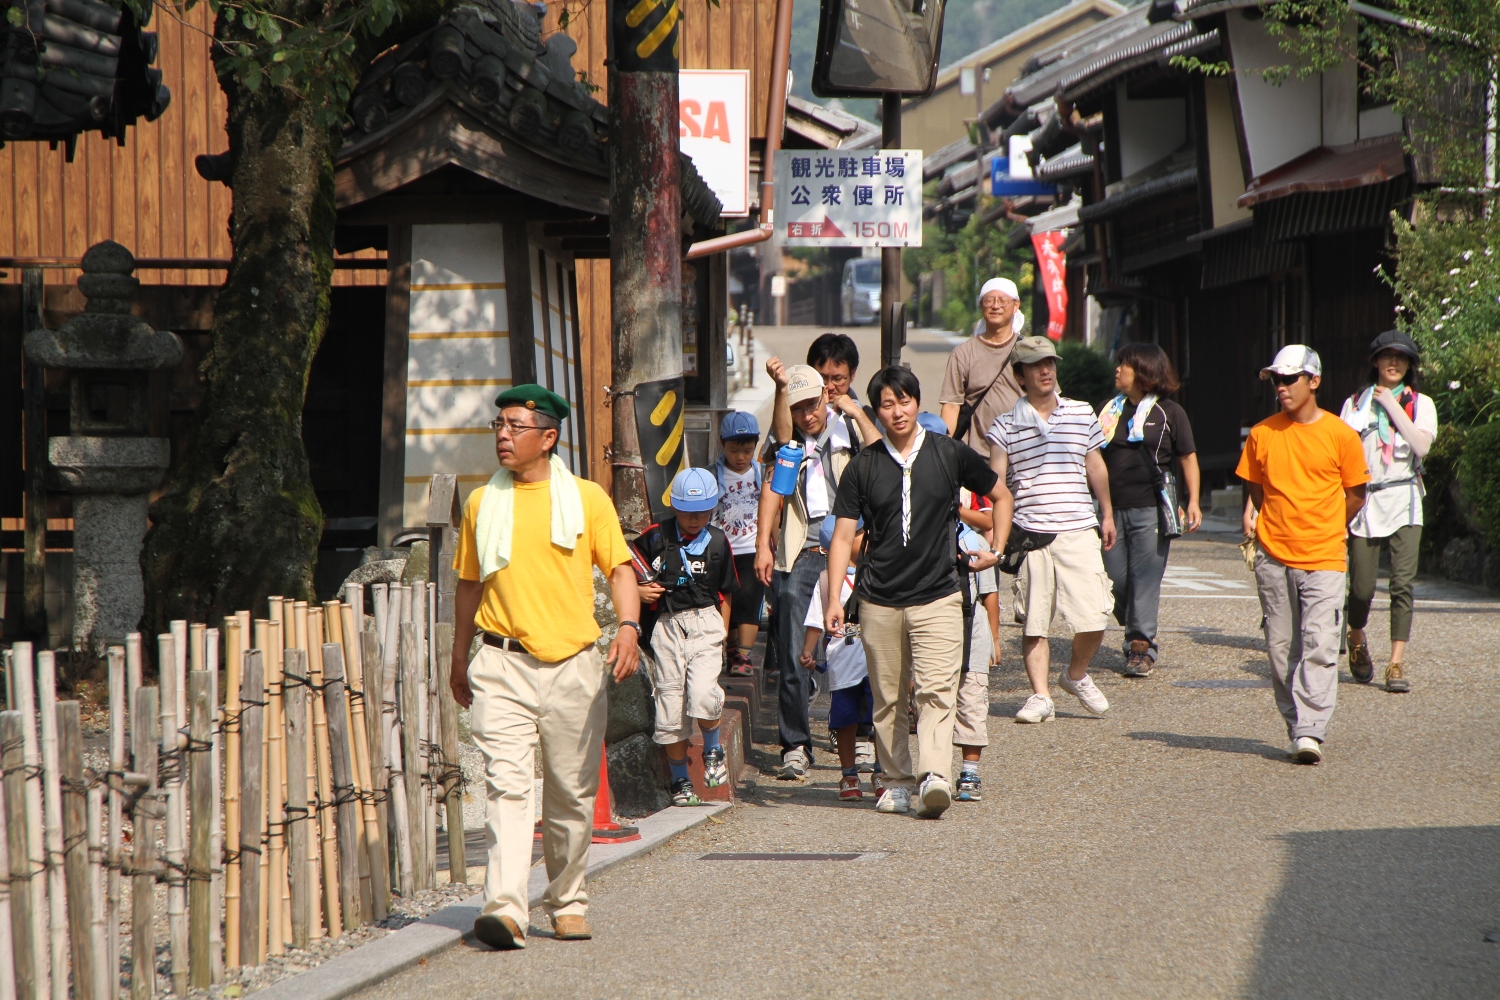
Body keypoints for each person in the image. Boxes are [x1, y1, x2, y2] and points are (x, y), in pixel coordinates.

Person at [450, 383, 641, 951]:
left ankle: (568, 902)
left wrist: (628, 626)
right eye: (500, 426)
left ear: (549, 437)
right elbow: (468, 585)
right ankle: (505, 910)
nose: (503, 436)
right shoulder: (482, 503)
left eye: (516, 426)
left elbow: (621, 569)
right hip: (501, 663)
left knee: (571, 795)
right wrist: (458, 656)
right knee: (506, 788)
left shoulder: (586, 498)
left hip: (573, 666)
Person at [825, 367, 1004, 819]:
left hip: (939, 594)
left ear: (917, 403)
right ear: (876, 412)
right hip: (878, 599)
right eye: (887, 404)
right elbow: (843, 537)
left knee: (937, 690)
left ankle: (935, 776)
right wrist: (832, 600)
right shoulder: (863, 466)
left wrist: (997, 551)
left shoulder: (949, 453)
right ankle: (896, 782)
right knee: (887, 698)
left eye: (904, 401)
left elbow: (1001, 496)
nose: (898, 411)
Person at [1237, 345, 1368, 764]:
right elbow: (1257, 488)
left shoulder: (1341, 435)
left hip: (1325, 555)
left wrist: (1326, 524)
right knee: (1280, 649)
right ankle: (1296, 725)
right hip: (1273, 555)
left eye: (1289, 378)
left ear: (1314, 381)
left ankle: (1310, 730)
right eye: (1276, 379)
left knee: (1320, 644)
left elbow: (1356, 493)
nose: (1281, 387)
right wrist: (1275, 524)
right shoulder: (1262, 434)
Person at [756, 363, 879, 780]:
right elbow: (773, 486)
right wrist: (763, 544)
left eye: (812, 404)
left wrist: (856, 411)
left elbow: (883, 455)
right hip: (803, 550)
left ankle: (864, 736)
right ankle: (795, 745)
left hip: (853, 549)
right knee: (794, 651)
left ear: (826, 396)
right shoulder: (788, 446)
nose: (806, 414)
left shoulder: (849, 432)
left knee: (860, 648)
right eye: (797, 408)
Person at [985, 336, 1117, 725]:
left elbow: (1095, 465)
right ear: (1019, 376)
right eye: (1035, 365)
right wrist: (997, 534)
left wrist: (1107, 514)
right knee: (1035, 621)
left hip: (1079, 526)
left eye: (1049, 363)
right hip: (1031, 532)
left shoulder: (1081, 412)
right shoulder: (1005, 425)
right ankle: (1041, 696)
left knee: (1096, 616)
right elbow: (997, 484)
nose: (1045, 370)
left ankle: (1075, 675)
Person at [634, 468, 738, 805]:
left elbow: (726, 593)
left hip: (705, 622)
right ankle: (681, 781)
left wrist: (722, 636)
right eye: (687, 511)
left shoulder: (718, 542)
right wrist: (639, 591)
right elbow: (624, 573)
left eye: (702, 511)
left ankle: (712, 751)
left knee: (704, 692)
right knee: (671, 704)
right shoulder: (654, 537)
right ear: (674, 506)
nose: (694, 519)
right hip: (666, 626)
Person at [1097, 343, 1203, 677]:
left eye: (1124, 365)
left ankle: (1141, 647)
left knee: (1144, 579)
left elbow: (1187, 456)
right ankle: (1136, 624)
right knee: (1113, 579)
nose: (1118, 370)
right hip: (1110, 509)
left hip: (1151, 509)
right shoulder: (1108, 411)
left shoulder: (1170, 412)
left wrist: (1194, 501)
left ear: (1143, 371)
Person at [1339, 330, 1436, 693]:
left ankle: (1396, 663)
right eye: (1387, 355)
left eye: (1401, 357)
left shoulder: (1421, 403)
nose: (1393, 362)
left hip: (1405, 498)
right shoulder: (1355, 404)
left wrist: (1392, 405)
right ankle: (1356, 635)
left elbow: (1421, 446)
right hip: (1365, 500)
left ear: (1410, 365)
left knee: (1402, 584)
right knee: (1361, 588)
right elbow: (1340, 454)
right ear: (1375, 361)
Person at [918, 411, 996, 803]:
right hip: (928, 623)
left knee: (971, 696)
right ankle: (934, 771)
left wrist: (994, 638)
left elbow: (989, 594)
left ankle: (969, 772)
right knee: (931, 697)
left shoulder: (971, 537)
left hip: (971, 626)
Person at [799, 515, 883, 801]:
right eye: (857, 535)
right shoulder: (827, 582)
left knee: (881, 718)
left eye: (861, 533)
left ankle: (882, 770)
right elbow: (815, 621)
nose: (862, 540)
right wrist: (808, 650)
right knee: (845, 721)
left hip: (877, 663)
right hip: (843, 665)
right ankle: (849, 774)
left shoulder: (880, 573)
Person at [939, 277, 1026, 453]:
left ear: (1016, 305)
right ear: (981, 305)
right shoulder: (963, 353)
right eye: (989, 300)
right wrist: (945, 452)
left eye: (1003, 300)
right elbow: (951, 405)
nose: (995, 306)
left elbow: (1048, 398)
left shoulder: (1028, 350)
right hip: (976, 454)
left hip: (1022, 453)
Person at [712, 410, 766, 677]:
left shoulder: (762, 473)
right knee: (725, 600)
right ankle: (731, 649)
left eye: (747, 450)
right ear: (722, 443)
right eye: (734, 450)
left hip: (751, 549)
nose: (741, 457)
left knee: (749, 601)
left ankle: (743, 655)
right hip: (722, 549)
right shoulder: (712, 475)